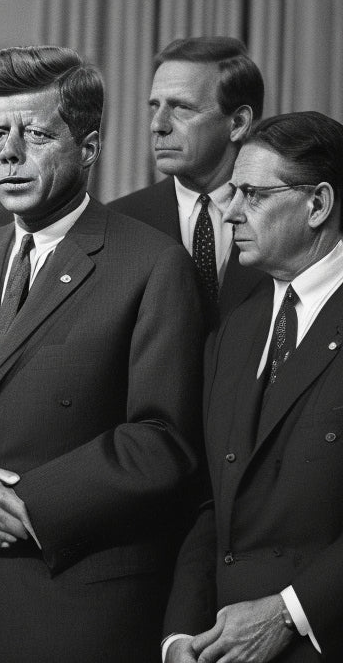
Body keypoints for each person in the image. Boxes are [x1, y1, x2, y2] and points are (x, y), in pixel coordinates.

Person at [0, 46, 205, 662]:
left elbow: (164, 439)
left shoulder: (152, 265)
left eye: (36, 133)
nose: (8, 153)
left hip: (70, 601)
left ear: (89, 146)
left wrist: (26, 504)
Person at [164, 111, 343, 663]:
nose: (232, 212)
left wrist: (288, 612)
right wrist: (178, 639)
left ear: (317, 204)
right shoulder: (234, 331)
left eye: (253, 195)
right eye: (233, 192)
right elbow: (210, 504)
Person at [111, 36, 267, 327]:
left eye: (181, 107)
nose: (158, 124)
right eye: (154, 106)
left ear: (238, 123)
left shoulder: (283, 218)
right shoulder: (118, 224)